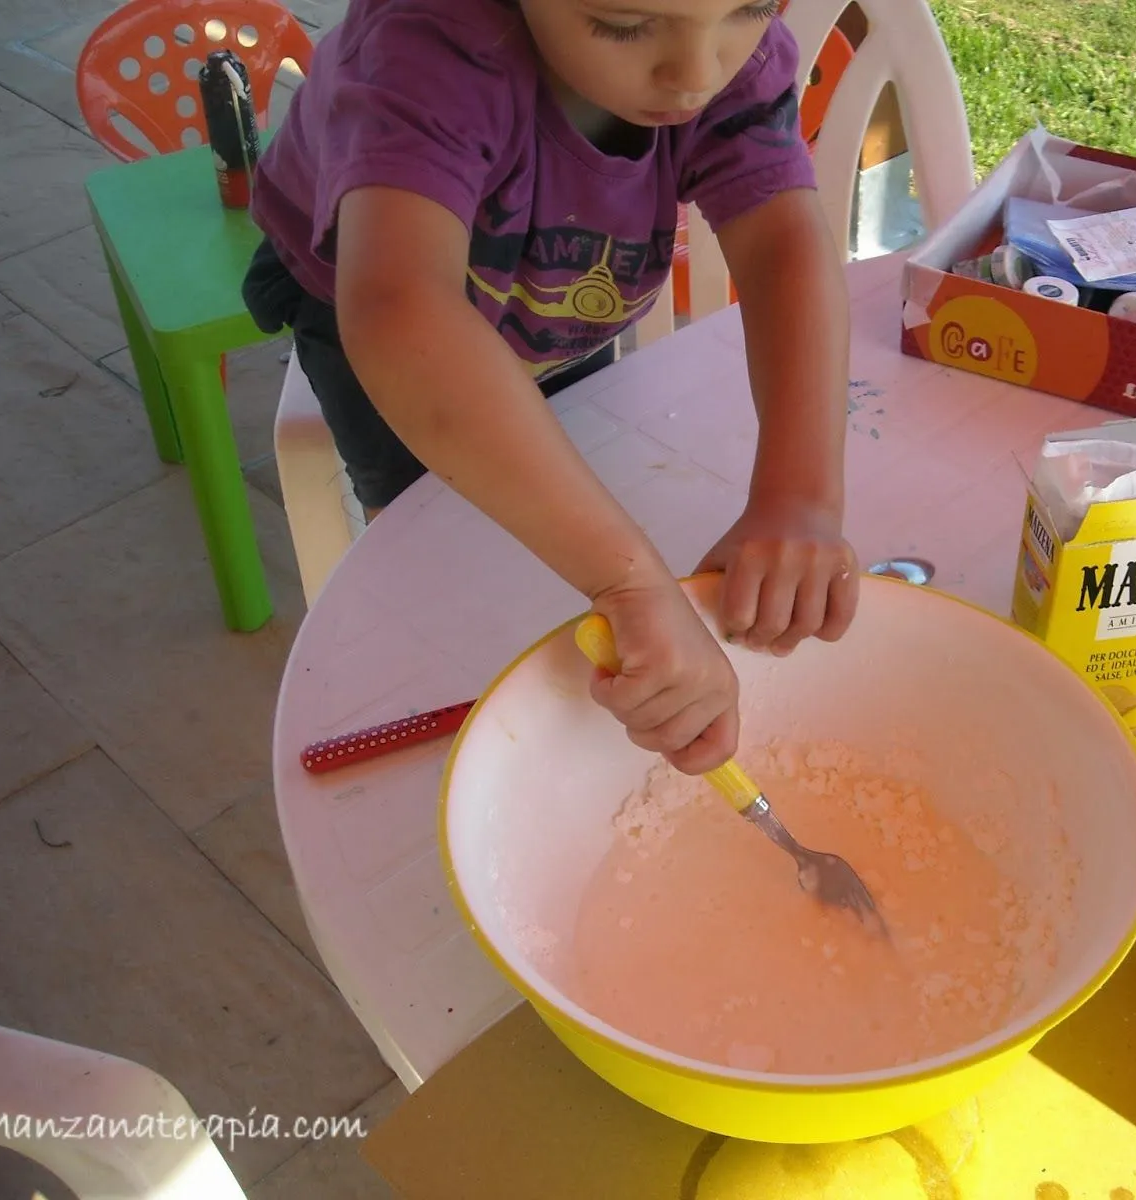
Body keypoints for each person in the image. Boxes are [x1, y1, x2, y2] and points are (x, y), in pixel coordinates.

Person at [241, 0, 859, 776]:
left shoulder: (708, 45)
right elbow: (402, 315)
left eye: (753, 8)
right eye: (625, 25)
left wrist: (800, 496)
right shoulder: (424, 48)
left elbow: (782, 245)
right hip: (368, 294)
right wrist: (630, 586)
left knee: (565, 500)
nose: (697, 76)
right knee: (442, 541)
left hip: (552, 296)